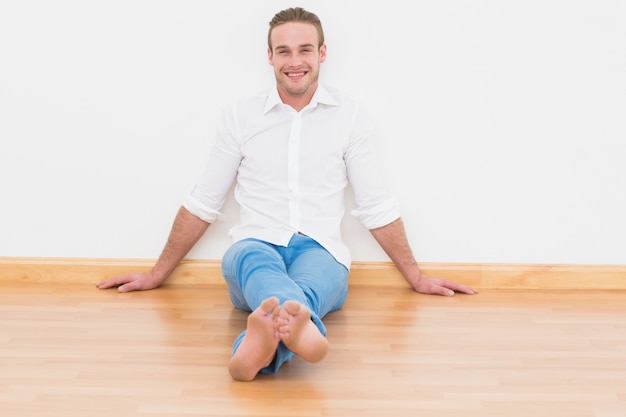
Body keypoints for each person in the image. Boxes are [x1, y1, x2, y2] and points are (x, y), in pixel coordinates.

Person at [97, 7, 478, 381]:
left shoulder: (350, 116)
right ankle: (304, 333)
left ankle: (254, 350)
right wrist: (156, 274)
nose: (294, 61)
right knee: (261, 269)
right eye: (284, 51)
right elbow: (203, 202)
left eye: (305, 50)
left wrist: (417, 277)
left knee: (312, 286)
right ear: (270, 57)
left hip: (321, 249)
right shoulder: (240, 116)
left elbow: (375, 205)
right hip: (254, 245)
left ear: (322, 53)